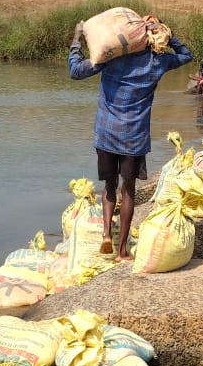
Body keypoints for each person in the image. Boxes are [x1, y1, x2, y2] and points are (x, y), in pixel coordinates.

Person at [68, 21, 193, 261]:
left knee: (109, 186)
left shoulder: (110, 58)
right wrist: (169, 34)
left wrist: (77, 38)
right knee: (128, 190)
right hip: (134, 138)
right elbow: (186, 55)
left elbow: (75, 71)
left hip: (106, 133)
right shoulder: (157, 62)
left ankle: (107, 234)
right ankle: (122, 251)